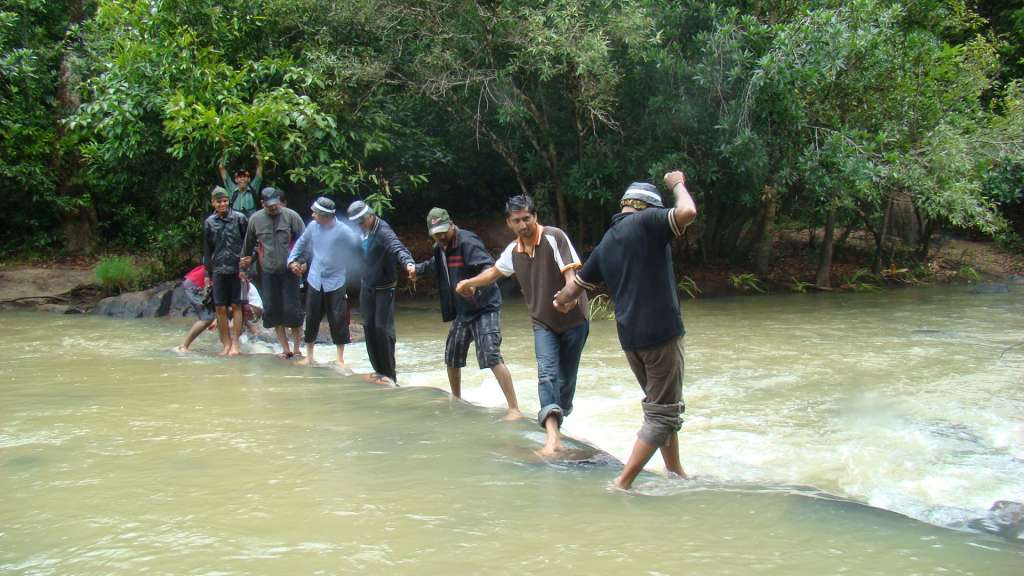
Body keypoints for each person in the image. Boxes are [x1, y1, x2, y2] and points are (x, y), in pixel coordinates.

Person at [553, 171, 698, 490]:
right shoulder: (647, 223)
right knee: (663, 413)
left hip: (631, 340)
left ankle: (675, 472)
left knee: (659, 406)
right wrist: (677, 183)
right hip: (661, 333)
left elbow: (571, 292)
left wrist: (560, 302)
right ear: (648, 207)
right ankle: (622, 483)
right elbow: (687, 212)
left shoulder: (607, 242)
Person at [457, 195, 587, 451]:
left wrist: (570, 297)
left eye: (527, 218)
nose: (523, 225)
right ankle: (552, 438)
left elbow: (571, 275)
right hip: (543, 322)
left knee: (565, 381)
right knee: (546, 375)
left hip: (574, 320)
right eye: (516, 220)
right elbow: (494, 273)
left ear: (535, 217)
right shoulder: (513, 252)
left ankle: (559, 420)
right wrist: (470, 283)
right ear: (509, 223)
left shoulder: (554, 237)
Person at [413, 208, 523, 419]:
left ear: (451, 224)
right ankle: (456, 397)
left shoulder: (467, 242)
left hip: (485, 306)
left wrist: (474, 285)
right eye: (436, 234)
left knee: (491, 355)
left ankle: (514, 409)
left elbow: (488, 268)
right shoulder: (440, 247)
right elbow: (435, 265)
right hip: (464, 310)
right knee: (452, 355)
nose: (440, 237)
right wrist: (417, 270)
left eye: (443, 232)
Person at [346, 200, 415, 385]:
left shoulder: (382, 230)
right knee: (368, 327)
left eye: (362, 222)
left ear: (370, 216)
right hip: (367, 284)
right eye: (357, 223)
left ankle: (390, 375)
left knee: (382, 330)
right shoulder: (360, 231)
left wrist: (408, 263)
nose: (359, 226)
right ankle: (378, 371)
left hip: (385, 286)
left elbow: (397, 247)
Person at [288, 197, 360, 369]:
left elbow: (358, 246)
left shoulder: (343, 231)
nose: (312, 215)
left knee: (338, 318)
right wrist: (291, 261)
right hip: (315, 278)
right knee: (312, 316)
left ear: (325, 215)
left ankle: (340, 359)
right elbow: (301, 244)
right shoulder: (313, 227)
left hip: (336, 280)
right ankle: (309, 356)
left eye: (316, 213)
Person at [241, 187, 306, 358]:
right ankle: (285, 349)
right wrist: (243, 267)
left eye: (276, 204)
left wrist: (300, 262)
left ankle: (297, 348)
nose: (274, 208)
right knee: (273, 310)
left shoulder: (291, 216)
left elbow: (305, 241)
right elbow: (248, 246)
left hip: (290, 271)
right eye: (270, 206)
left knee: (293, 310)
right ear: (262, 203)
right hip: (268, 271)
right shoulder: (255, 220)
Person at [203, 186, 248, 356]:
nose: (222, 204)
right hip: (218, 269)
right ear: (213, 203)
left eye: (225, 201)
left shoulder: (240, 218)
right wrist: (207, 274)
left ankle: (236, 343)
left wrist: (245, 267)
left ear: (229, 201)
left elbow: (249, 244)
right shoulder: (209, 222)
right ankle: (226, 343)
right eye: (219, 202)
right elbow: (207, 250)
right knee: (220, 307)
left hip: (237, 269)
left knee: (236, 305)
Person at [177, 264, 216, 352]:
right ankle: (183, 346)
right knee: (207, 319)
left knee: (209, 318)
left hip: (196, 282)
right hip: (196, 284)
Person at [218, 143, 264, 218]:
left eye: (245, 176)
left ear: (249, 179)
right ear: (236, 180)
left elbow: (260, 166)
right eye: (239, 177)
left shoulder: (254, 187)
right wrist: (225, 149)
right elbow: (221, 167)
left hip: (251, 223)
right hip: (235, 223)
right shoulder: (232, 189)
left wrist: (256, 147)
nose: (242, 179)